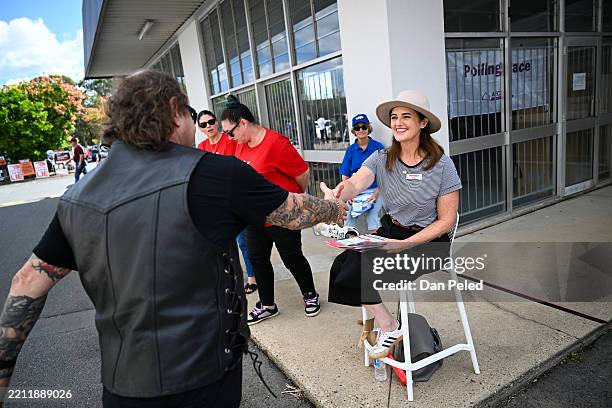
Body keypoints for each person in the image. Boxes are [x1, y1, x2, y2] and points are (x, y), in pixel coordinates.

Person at [0, 70, 346, 408]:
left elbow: (26, 282)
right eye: (191, 115)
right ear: (175, 110)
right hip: (203, 380)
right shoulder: (216, 173)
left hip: (123, 386)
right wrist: (333, 207)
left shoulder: (78, 197)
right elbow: (293, 210)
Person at [322, 90, 462, 359]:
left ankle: (388, 327)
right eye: (394, 117)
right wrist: (338, 195)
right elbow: (356, 182)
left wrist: (406, 244)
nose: (398, 122)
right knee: (344, 266)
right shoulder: (381, 157)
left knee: (357, 268)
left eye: (406, 116)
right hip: (392, 231)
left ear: (423, 122)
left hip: (429, 243)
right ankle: (389, 325)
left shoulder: (443, 165)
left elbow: (446, 221)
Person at [222, 96, 320, 325]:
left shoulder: (276, 144)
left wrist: (293, 198)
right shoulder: (241, 147)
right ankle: (267, 305)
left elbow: (302, 173)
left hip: (283, 215)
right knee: (258, 260)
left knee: (292, 258)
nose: (230, 137)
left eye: (230, 132)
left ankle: (310, 295)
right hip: (255, 217)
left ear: (243, 123)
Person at [196, 109, 256, 294]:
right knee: (222, 243)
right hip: (215, 202)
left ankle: (252, 277)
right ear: (200, 128)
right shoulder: (202, 147)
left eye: (211, 121)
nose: (209, 126)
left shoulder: (230, 141)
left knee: (243, 241)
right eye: (204, 124)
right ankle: (230, 278)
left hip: (234, 198)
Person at [340, 113, 385, 233]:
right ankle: (351, 245)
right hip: (355, 191)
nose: (361, 130)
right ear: (354, 131)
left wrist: (376, 193)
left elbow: (384, 174)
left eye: (364, 127)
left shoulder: (378, 147)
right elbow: (345, 175)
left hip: (374, 190)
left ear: (368, 128)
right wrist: (348, 194)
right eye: (357, 128)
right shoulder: (350, 150)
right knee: (348, 215)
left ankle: (374, 246)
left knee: (373, 216)